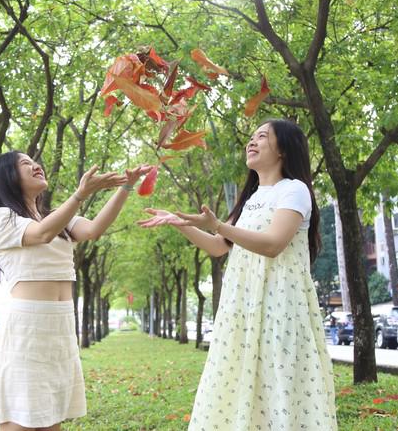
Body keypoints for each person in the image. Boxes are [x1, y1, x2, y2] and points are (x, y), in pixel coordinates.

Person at [139, 119, 337, 430]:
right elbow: (220, 246)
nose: (252, 142)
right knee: (239, 382)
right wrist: (181, 224)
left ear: (284, 149)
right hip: (241, 307)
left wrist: (218, 225)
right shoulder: (250, 198)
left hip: (280, 305)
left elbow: (273, 244)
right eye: (252, 136)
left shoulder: (294, 190)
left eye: (262, 136)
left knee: (277, 382)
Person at [0, 150, 151, 431]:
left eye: (35, 162)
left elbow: (93, 229)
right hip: (28, 327)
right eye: (25, 164)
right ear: (7, 177)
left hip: (60, 324)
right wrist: (79, 195)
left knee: (50, 418)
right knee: (19, 418)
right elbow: (41, 234)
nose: (36, 166)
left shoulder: (55, 217)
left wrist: (126, 187)